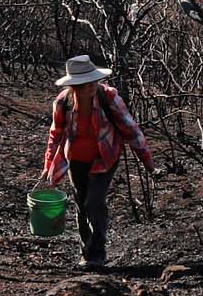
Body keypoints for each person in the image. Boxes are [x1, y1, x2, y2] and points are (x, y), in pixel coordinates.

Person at [40, 55, 154, 268]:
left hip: (105, 157)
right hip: (76, 159)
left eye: (93, 81)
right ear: (75, 86)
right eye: (85, 84)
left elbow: (131, 129)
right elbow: (55, 134)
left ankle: (98, 253)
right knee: (82, 205)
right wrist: (48, 165)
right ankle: (87, 254)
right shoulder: (63, 102)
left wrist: (146, 160)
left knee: (94, 203)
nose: (91, 87)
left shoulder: (108, 98)